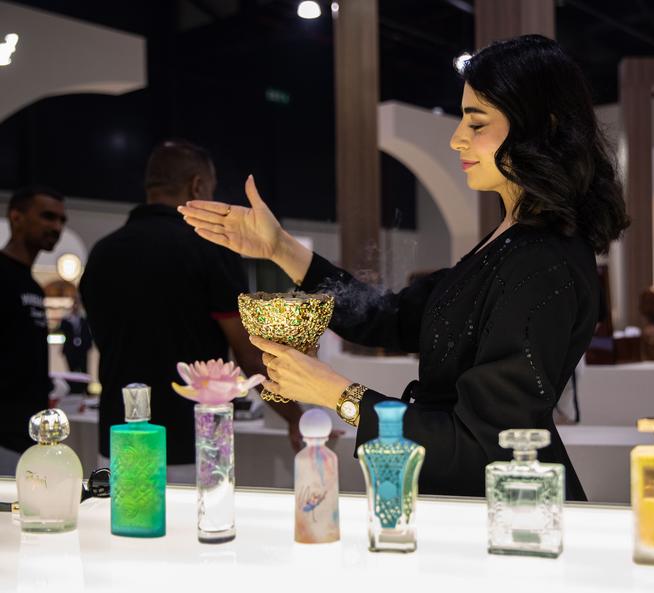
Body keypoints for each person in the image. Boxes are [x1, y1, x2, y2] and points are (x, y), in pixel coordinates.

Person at [180, 35, 630, 500]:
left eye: (477, 123)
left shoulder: (543, 263)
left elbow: (483, 446)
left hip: (517, 517)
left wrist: (339, 395)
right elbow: (389, 317)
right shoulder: (509, 243)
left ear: (543, 127)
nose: (457, 138)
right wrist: (280, 248)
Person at [80, 140, 302, 482]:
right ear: (197, 186)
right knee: (201, 517)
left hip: (118, 441)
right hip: (193, 445)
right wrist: (295, 417)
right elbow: (249, 355)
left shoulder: (102, 253)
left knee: (121, 518)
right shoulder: (210, 248)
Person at [0, 186, 66, 474]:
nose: (57, 227)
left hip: (28, 436)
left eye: (62, 220)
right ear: (17, 217)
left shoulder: (34, 287)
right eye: (48, 217)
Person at [58, 295, 92, 394]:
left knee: (84, 369)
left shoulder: (83, 319)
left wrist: (87, 345)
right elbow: (61, 329)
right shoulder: (67, 319)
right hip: (70, 349)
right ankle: (73, 389)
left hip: (82, 349)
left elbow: (87, 333)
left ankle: (85, 389)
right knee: (71, 371)